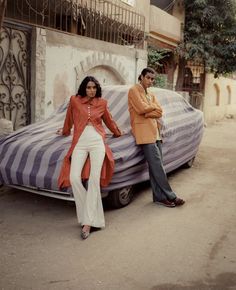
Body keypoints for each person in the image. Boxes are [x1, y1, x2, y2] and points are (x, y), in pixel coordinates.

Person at [57, 76, 122, 239]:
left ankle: (87, 223)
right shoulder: (74, 100)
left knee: (94, 180)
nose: (91, 90)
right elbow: (68, 120)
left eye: (94, 87)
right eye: (88, 87)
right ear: (83, 88)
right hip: (79, 141)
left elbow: (109, 121)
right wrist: (64, 132)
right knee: (74, 178)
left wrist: (118, 132)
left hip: (97, 141)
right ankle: (91, 214)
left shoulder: (102, 103)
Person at [128, 67, 185, 207]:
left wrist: (148, 112)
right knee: (158, 167)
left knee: (156, 168)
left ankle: (159, 197)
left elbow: (160, 111)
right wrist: (149, 110)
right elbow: (141, 109)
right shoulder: (134, 90)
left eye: (152, 79)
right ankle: (171, 196)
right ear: (141, 77)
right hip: (144, 134)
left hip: (156, 133)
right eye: (148, 77)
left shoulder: (151, 94)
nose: (150, 81)